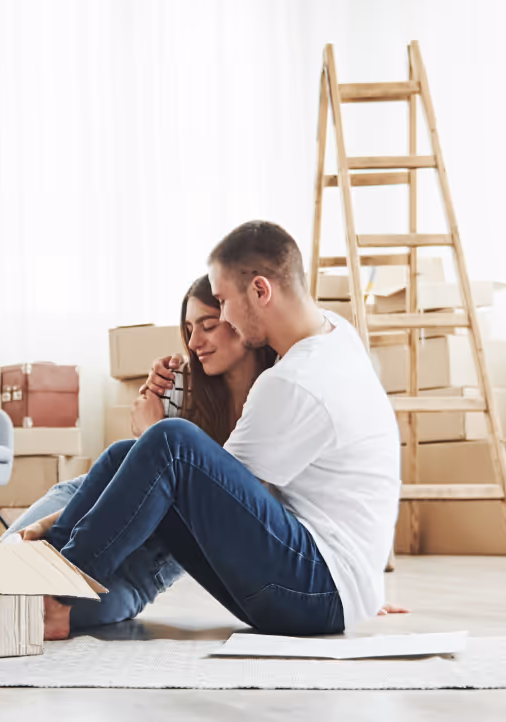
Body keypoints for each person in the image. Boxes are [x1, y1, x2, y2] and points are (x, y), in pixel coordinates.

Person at [40, 220, 402, 641]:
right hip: (319, 583)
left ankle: (56, 594)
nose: (224, 314)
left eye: (225, 301)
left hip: (318, 592)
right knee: (129, 452)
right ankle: (47, 574)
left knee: (171, 443)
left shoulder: (296, 380)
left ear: (261, 291)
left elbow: (214, 494)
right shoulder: (335, 332)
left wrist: (154, 431)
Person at [2, 274, 277, 631]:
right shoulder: (179, 384)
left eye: (208, 326)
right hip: (85, 504)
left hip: (147, 561)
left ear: (242, 321)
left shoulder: (276, 401)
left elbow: (169, 484)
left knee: (30, 611)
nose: (194, 342)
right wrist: (43, 526)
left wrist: (151, 432)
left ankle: (55, 587)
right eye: (189, 328)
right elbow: (125, 483)